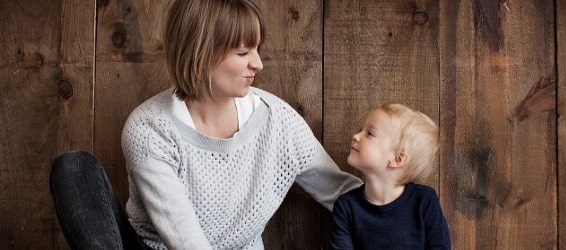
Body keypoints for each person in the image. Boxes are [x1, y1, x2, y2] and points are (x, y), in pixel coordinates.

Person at [50, 0, 363, 249]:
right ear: (200, 53)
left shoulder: (277, 120)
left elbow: (340, 192)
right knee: (73, 167)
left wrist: (408, 205)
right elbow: (184, 239)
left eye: (257, 49)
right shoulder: (149, 128)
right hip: (155, 247)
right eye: (243, 52)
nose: (258, 63)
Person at [330, 103, 451, 249]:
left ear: (397, 159)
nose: (355, 136)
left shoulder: (424, 200)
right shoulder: (346, 207)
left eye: (370, 133)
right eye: (361, 130)